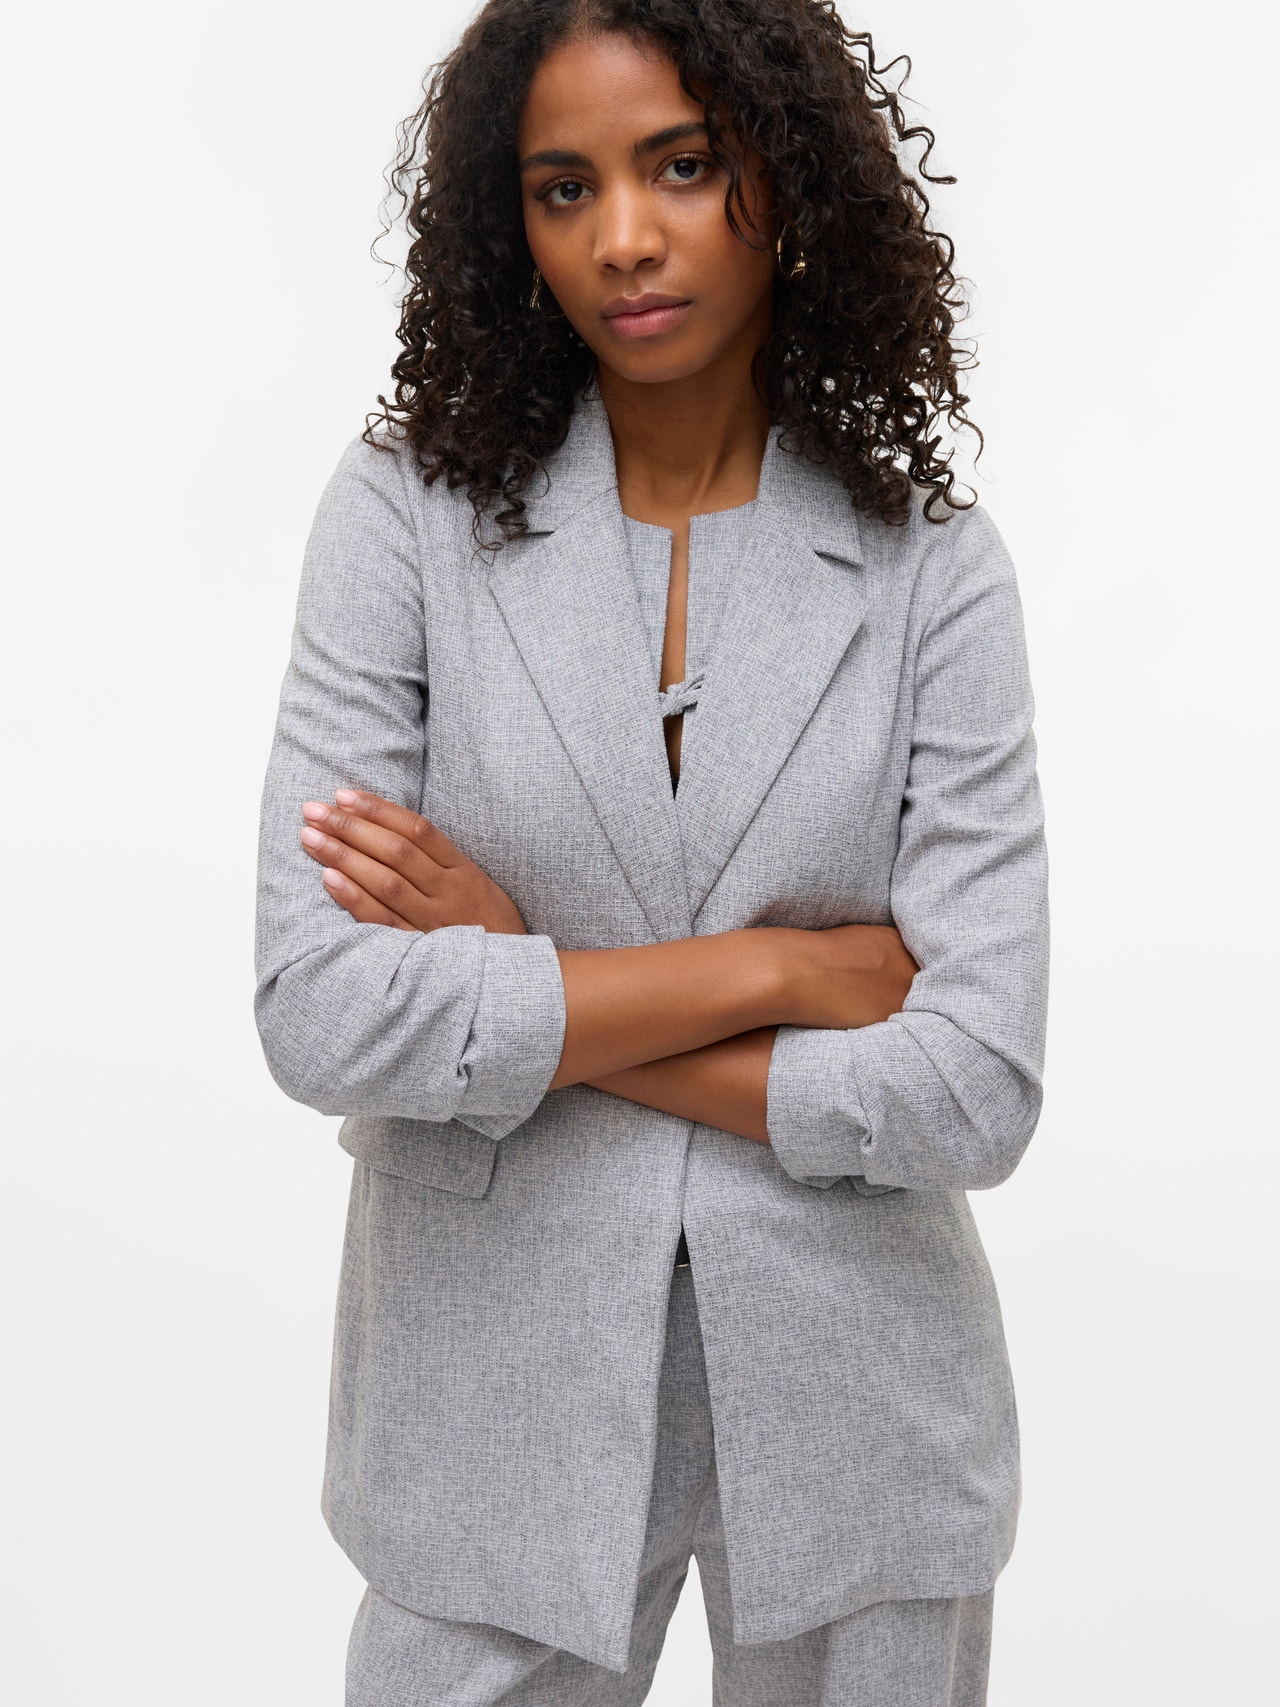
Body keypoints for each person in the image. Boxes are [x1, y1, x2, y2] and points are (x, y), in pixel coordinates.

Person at [254, 1, 1049, 1700]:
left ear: (790, 177)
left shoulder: (933, 567)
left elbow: (976, 1089)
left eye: (682, 167)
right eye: (566, 187)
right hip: (487, 1406)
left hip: (862, 1410)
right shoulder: (403, 519)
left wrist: (516, 966)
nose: (622, 237)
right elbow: (319, 1015)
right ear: (511, 223)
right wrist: (781, 972)